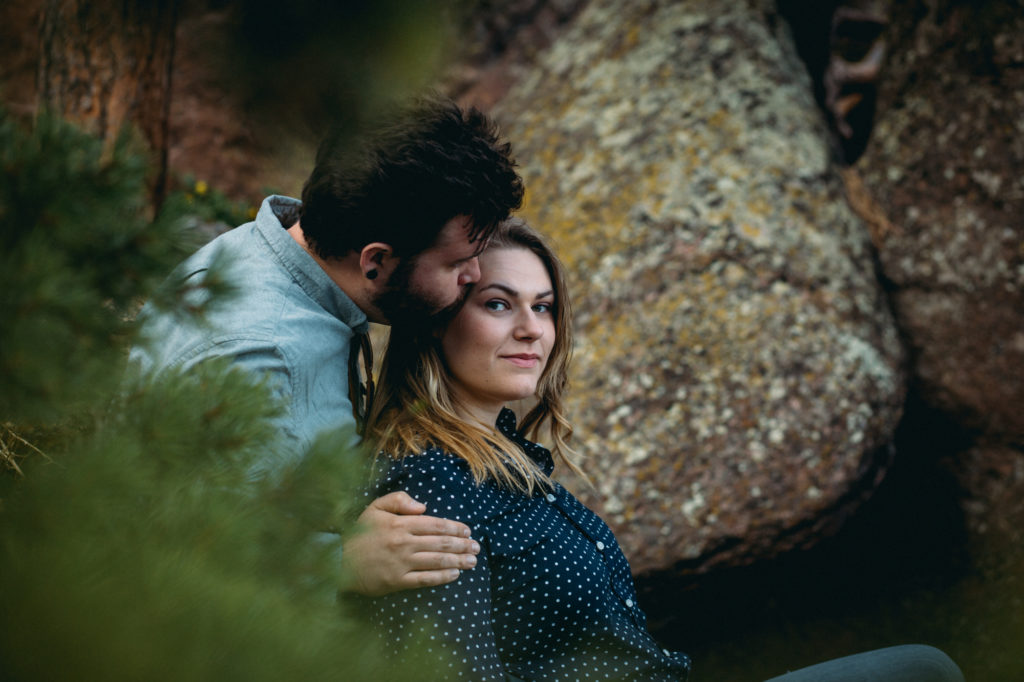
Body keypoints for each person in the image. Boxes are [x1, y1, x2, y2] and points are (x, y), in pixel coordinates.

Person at [362, 218, 965, 681]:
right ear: (438, 319)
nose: (532, 329)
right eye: (499, 304)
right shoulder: (431, 484)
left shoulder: (510, 466)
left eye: (543, 307)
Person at [130, 94, 524, 596]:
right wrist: (339, 562)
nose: (474, 276)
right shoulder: (256, 357)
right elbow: (179, 553)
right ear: (375, 260)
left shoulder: (277, 256)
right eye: (455, 264)